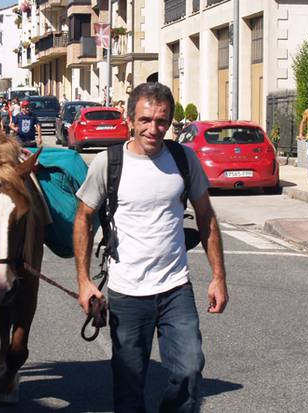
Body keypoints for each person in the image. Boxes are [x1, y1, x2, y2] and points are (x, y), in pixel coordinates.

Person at [73, 82, 228, 412]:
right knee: (129, 387)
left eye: (161, 121)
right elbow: (84, 218)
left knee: (189, 369)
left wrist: (218, 277)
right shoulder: (109, 163)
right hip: (127, 293)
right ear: (130, 119)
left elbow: (206, 217)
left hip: (175, 288)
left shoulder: (183, 160)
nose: (153, 129)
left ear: (170, 122)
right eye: (145, 120)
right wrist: (84, 282)